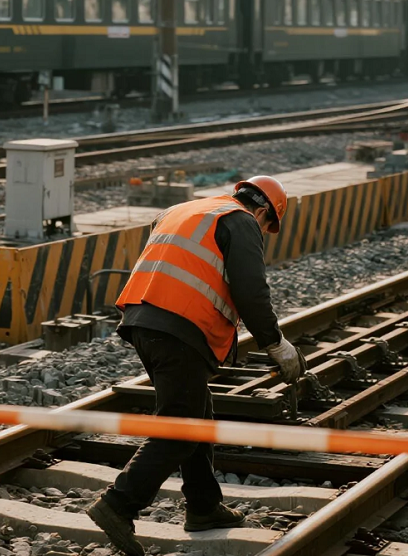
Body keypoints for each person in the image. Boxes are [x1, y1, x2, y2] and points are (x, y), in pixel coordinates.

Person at [88, 176, 307, 556]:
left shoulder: (187, 209)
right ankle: (118, 504)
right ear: (262, 212)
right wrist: (276, 343)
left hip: (142, 320)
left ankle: (204, 506)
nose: (262, 232)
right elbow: (251, 291)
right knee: (180, 426)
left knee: (197, 414)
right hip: (180, 327)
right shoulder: (241, 221)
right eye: (267, 226)